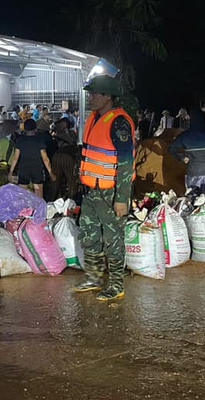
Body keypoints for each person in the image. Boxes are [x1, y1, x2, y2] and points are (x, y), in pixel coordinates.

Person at [75, 75, 135, 301]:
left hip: (111, 193)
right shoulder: (94, 118)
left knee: (113, 239)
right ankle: (93, 278)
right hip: (91, 191)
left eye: (94, 94)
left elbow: (126, 163)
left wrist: (122, 197)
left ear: (108, 96)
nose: (90, 98)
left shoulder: (119, 122)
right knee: (89, 235)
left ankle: (117, 285)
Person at [8, 119, 55, 199]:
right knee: (39, 194)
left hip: (23, 169)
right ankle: (38, 210)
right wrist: (51, 173)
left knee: (22, 195)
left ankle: (24, 210)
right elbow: (45, 159)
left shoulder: (20, 140)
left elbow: (15, 158)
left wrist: (11, 172)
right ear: (35, 129)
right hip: (37, 169)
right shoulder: (39, 141)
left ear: (25, 129)